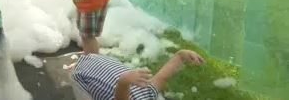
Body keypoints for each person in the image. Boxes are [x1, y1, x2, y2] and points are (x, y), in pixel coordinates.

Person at [70, 50, 206, 100]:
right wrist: (180, 55)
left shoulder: (148, 92)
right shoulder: (149, 92)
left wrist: (180, 55)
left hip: (91, 66)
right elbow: (163, 76)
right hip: (84, 71)